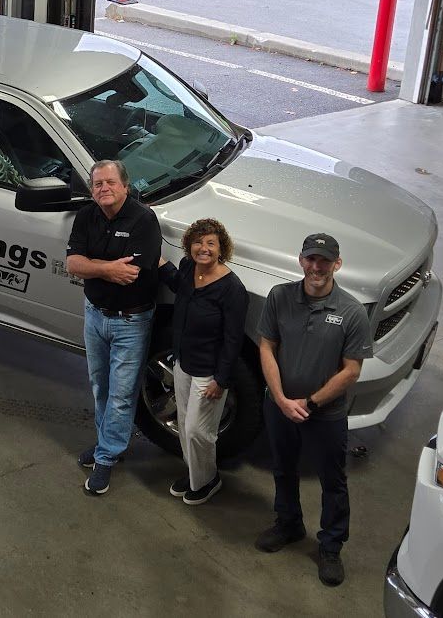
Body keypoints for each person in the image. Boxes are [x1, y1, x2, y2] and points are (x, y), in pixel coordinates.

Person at [255, 233, 373, 588]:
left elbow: (351, 370)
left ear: (337, 264)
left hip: (324, 414)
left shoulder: (351, 312)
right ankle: (288, 524)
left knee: (332, 481)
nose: (316, 267)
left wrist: (309, 403)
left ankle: (331, 546)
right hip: (279, 405)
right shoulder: (280, 297)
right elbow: (266, 347)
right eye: (311, 259)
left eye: (324, 261)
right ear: (301, 260)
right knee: (283, 468)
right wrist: (279, 397)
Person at [65, 159, 162, 496]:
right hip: (95, 315)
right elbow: (72, 264)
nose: (103, 189)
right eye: (97, 184)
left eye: (110, 182)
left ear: (125, 185)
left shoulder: (143, 220)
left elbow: (131, 273)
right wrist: (106, 269)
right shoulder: (86, 216)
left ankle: (106, 457)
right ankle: (107, 443)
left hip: (130, 322)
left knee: (121, 396)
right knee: (100, 387)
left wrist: (92, 266)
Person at [157, 218, 248, 506]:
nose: (203, 248)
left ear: (222, 249)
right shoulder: (188, 269)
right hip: (183, 363)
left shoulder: (232, 289)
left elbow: (233, 340)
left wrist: (221, 380)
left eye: (211, 243)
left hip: (209, 373)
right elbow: (179, 287)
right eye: (197, 242)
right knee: (184, 424)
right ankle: (195, 474)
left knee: (200, 430)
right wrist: (155, 257)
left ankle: (209, 479)